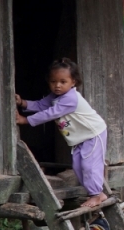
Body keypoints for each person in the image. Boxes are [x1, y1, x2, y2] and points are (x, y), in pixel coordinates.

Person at [15, 59, 108, 208]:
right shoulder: (56, 96)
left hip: (93, 134)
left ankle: (97, 194)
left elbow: (49, 113)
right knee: (78, 167)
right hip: (80, 138)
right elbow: (41, 105)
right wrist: (23, 103)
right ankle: (96, 193)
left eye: (63, 81)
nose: (57, 85)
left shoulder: (70, 98)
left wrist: (25, 120)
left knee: (89, 166)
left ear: (73, 82)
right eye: (53, 81)